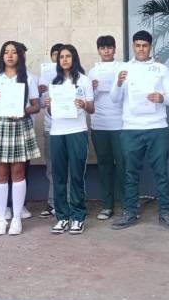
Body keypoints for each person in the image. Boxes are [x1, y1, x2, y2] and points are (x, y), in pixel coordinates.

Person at [110, 30, 169, 231]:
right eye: (138, 45)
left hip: (157, 128)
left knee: (161, 172)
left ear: (150, 47)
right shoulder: (124, 69)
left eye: (145, 45)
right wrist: (118, 83)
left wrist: (162, 98)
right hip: (131, 128)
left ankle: (165, 213)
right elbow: (114, 99)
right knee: (130, 172)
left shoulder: (161, 69)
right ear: (133, 46)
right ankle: (129, 213)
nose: (141, 49)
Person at [0, 41, 41, 236]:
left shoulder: (28, 77)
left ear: (19, 56)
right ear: (2, 56)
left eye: (14, 52)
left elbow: (36, 106)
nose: (9, 56)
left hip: (20, 125)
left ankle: (16, 218)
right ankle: (1, 218)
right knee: (0, 174)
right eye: (6, 52)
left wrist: (24, 110)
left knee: (18, 174)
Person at [44, 45, 95, 234]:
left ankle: (78, 217)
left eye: (68, 56)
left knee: (76, 176)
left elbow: (92, 109)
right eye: (61, 57)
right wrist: (48, 105)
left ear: (74, 58)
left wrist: (83, 104)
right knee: (58, 176)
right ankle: (62, 217)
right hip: (57, 132)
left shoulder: (84, 80)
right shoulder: (54, 82)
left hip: (77, 131)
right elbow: (52, 112)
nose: (64, 59)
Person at [87, 35, 124, 221]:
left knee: (124, 165)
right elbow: (87, 100)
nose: (106, 51)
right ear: (98, 50)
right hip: (99, 124)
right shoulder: (92, 72)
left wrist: (119, 83)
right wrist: (92, 88)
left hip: (120, 123)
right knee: (104, 166)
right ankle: (107, 206)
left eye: (109, 47)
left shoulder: (123, 68)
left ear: (115, 49)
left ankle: (127, 205)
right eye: (103, 48)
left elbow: (129, 93)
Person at [38, 43, 63, 218]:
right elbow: (39, 105)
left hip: (70, 128)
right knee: (52, 168)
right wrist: (41, 94)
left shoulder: (77, 76)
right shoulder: (44, 76)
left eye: (62, 55)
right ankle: (53, 202)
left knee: (68, 168)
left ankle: (68, 201)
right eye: (55, 54)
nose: (59, 58)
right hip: (50, 127)